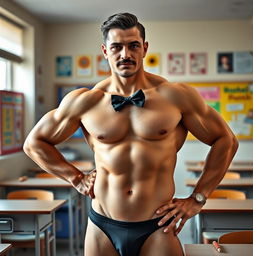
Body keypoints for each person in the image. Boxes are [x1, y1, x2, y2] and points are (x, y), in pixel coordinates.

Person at [23, 13, 238, 256]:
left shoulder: (176, 96)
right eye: (117, 47)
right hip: (102, 224)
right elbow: (34, 143)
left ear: (144, 48)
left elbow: (226, 140)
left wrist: (197, 198)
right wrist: (75, 178)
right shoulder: (85, 101)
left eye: (133, 45)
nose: (125, 54)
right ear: (105, 51)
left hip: (157, 226)